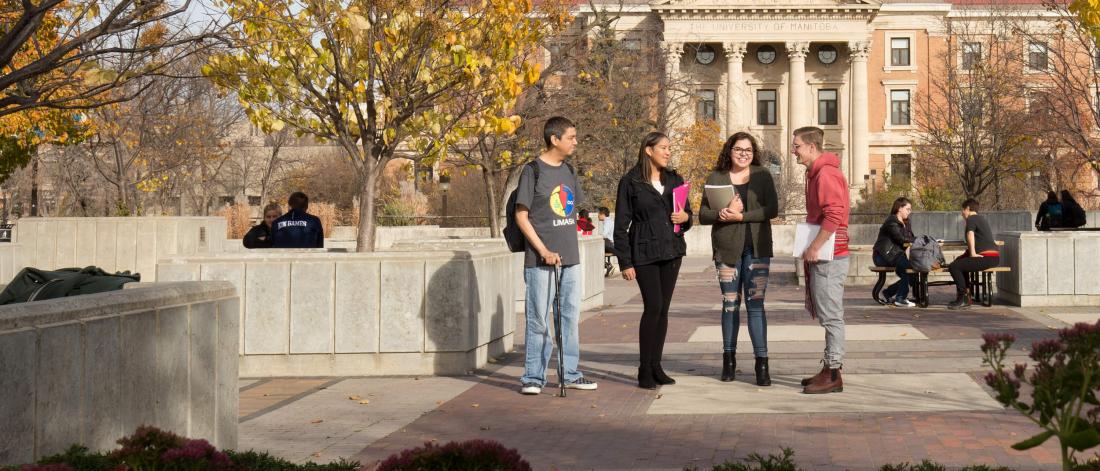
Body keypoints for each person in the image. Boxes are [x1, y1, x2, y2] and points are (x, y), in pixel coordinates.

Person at [514, 116, 597, 395]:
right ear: (555, 139)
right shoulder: (532, 171)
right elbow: (521, 216)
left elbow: (573, 211)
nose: (575, 142)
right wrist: (543, 250)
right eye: (571, 137)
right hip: (541, 261)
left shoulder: (569, 171)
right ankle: (533, 377)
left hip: (570, 259)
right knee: (538, 319)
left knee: (570, 318)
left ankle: (570, 373)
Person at [614, 131, 692, 389]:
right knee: (653, 307)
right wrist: (625, 262)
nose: (668, 152)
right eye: (664, 147)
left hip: (672, 250)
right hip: (644, 252)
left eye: (669, 148)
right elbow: (620, 226)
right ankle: (644, 368)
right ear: (648, 150)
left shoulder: (675, 179)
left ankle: (657, 366)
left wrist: (686, 219)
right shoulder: (631, 181)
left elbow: (687, 215)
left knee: (663, 310)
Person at [698, 132, 778, 386]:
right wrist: (722, 214)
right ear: (729, 150)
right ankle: (728, 360)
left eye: (748, 150)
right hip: (727, 250)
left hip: (757, 249)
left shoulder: (762, 176)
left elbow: (772, 210)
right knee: (730, 304)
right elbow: (703, 214)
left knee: (756, 305)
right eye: (738, 149)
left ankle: (761, 364)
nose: (744, 154)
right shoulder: (716, 177)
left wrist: (741, 217)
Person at [792, 126, 850, 395]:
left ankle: (834, 372)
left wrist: (815, 246)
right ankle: (829, 367)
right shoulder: (817, 173)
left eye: (797, 146)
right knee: (829, 316)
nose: (794, 151)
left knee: (831, 318)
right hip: (829, 256)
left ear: (812, 147)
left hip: (830, 257)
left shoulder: (825, 173)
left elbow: (834, 214)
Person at [948, 198, 1000, 309]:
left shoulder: (971, 219)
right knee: (959, 264)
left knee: (954, 267)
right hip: (993, 257)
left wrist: (972, 253)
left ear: (967, 208)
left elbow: (970, 234)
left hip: (986, 257)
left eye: (962, 210)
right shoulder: (981, 219)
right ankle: (966, 296)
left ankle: (963, 298)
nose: (962, 213)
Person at [872, 197, 917, 307]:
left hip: (896, 255)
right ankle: (900, 298)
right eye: (908, 209)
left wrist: (923, 240)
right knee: (908, 269)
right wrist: (919, 240)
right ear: (899, 208)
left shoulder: (907, 222)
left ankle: (888, 293)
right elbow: (900, 238)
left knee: (912, 273)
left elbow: (911, 238)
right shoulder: (891, 221)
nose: (909, 212)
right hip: (883, 256)